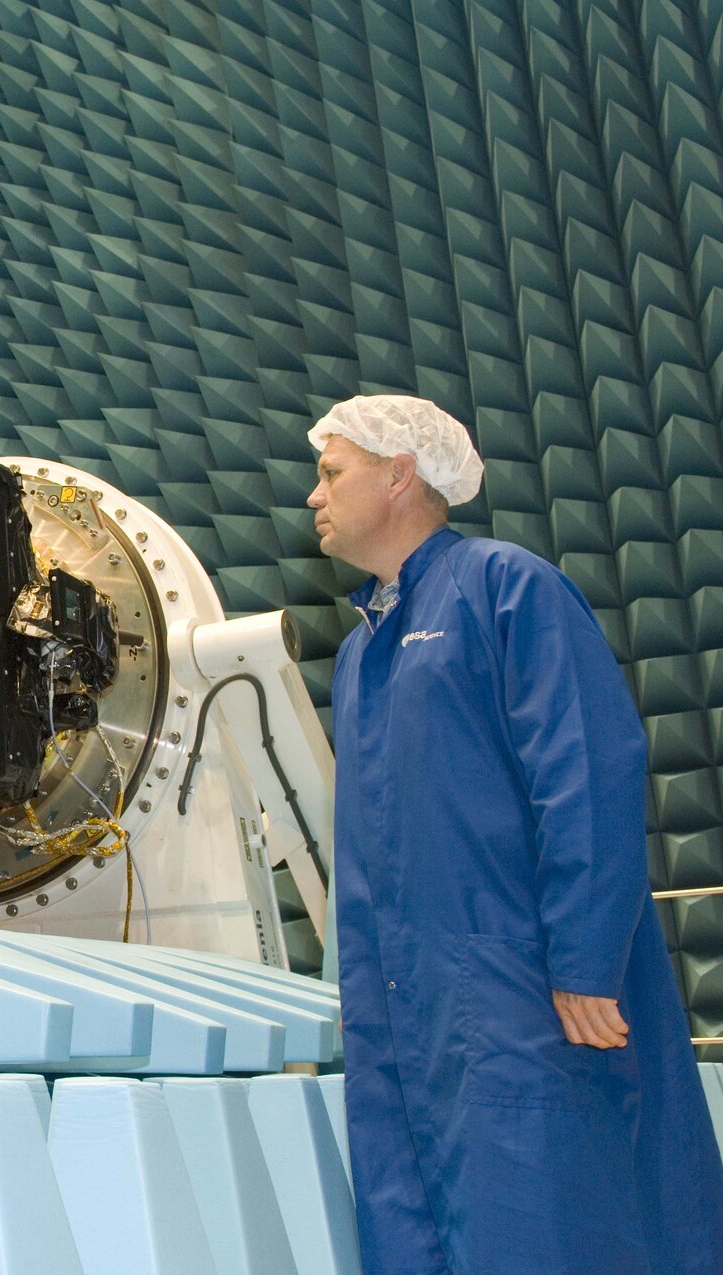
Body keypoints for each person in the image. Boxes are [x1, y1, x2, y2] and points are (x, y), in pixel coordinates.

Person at [308, 394, 723, 1274]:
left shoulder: (507, 587)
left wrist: (582, 959)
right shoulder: (358, 651)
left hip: (517, 990)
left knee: (544, 1219)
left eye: (331, 473)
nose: (315, 495)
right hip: (403, 1005)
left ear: (399, 475)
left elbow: (589, 770)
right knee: (414, 1225)